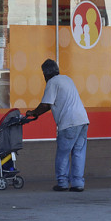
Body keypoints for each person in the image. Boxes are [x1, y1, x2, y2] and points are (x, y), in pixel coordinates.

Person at [26, 59, 89, 192]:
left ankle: (62, 183)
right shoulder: (67, 79)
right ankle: (78, 183)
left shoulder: (52, 82)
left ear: (45, 73)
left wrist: (33, 113)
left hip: (69, 122)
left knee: (63, 153)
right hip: (83, 120)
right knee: (78, 152)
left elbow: (45, 104)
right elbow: (52, 103)